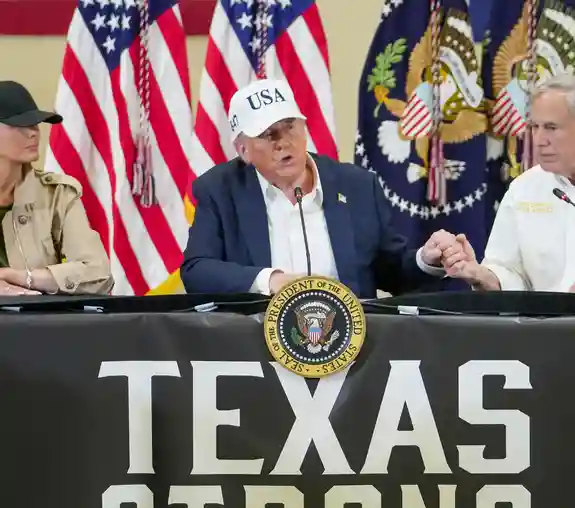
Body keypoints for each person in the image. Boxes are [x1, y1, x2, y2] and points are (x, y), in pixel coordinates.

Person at [181, 78, 465, 298]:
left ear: (304, 128)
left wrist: (426, 259)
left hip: (352, 342)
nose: (284, 142)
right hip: (258, 341)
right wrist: (271, 280)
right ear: (243, 150)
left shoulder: (357, 186)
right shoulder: (219, 191)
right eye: (269, 135)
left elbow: (391, 271)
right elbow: (196, 271)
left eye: (290, 127)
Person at [443, 73, 575, 292]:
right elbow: (509, 272)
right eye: (534, 127)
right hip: (547, 316)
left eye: (551, 128)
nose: (539, 140)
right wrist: (480, 274)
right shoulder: (524, 188)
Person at [0, 81, 113, 296]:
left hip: (37, 316)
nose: (34, 133)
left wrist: (20, 277)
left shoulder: (57, 195)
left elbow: (98, 274)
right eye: (21, 125)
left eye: (35, 124)